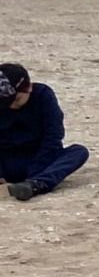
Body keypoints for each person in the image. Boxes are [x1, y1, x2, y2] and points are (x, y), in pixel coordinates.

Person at [0, 63, 90, 201]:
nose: (11, 106)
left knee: (79, 151)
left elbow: (53, 136)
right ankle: (36, 183)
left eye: (16, 100)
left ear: (28, 88)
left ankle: (35, 185)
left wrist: (35, 172)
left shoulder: (43, 95)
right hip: (7, 161)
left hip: (41, 159)